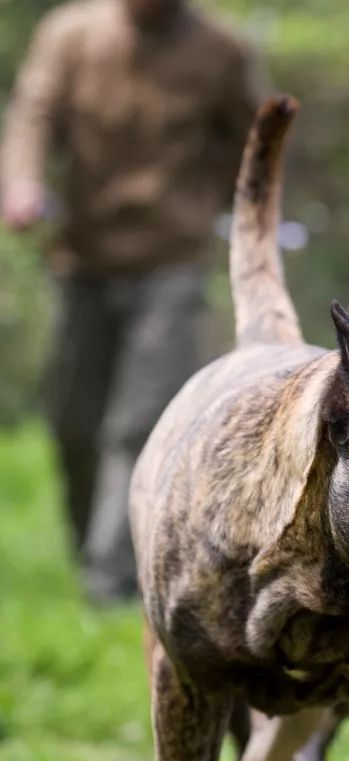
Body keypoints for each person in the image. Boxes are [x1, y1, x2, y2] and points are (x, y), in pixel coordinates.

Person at [1, 0, 265, 602]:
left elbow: (256, 141)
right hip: (82, 258)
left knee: (136, 423)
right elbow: (33, 116)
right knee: (75, 421)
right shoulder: (70, 34)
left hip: (171, 261)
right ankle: (90, 549)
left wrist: (236, 207)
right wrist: (23, 183)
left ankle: (111, 584)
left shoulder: (221, 50)